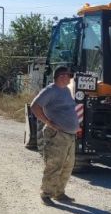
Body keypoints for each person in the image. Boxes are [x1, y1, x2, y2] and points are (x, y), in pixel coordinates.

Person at [29, 65, 80, 205]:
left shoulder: (66, 91)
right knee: (54, 165)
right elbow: (34, 106)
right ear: (61, 76)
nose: (70, 78)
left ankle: (59, 193)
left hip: (69, 135)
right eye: (69, 75)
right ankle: (46, 194)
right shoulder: (50, 91)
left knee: (67, 166)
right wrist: (48, 122)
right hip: (57, 134)